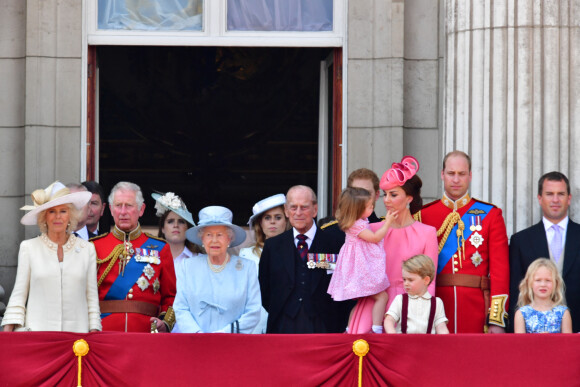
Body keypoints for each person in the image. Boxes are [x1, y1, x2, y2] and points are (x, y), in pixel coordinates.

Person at [417, 150, 509, 333]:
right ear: (442, 175)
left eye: (462, 174)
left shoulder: (490, 215)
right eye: (451, 173)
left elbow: (500, 272)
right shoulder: (423, 216)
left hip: (476, 310)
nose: (456, 179)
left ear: (470, 176)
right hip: (436, 309)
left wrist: (496, 319)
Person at [348, 156, 438, 334]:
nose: (387, 200)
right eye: (385, 194)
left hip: (410, 307)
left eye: (394, 194)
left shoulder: (427, 233)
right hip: (373, 306)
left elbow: (430, 283)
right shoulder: (370, 230)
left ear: (409, 198)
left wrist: (426, 316)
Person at [2, 182, 101, 332]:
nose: (58, 217)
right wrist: (7, 338)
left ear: (71, 215)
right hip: (38, 336)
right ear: (44, 217)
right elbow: (18, 296)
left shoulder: (87, 249)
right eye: (51, 211)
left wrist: (94, 332)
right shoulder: (29, 248)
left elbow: (92, 299)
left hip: (77, 339)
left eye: (63, 211)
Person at [259, 185, 346, 333]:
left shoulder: (335, 243)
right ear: (286, 211)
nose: (298, 213)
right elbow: (264, 290)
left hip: (324, 326)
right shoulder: (272, 246)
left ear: (315, 210)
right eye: (293, 207)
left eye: (304, 207)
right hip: (282, 326)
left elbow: (344, 286)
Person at [92, 181, 176, 332]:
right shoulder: (93, 247)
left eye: (129, 205)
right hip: (104, 332)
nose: (123, 211)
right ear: (111, 209)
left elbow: (170, 296)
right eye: (118, 205)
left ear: (141, 209)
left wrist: (164, 322)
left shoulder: (161, 248)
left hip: (145, 332)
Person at [509, 171, 580, 332]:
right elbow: (515, 288)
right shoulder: (521, 240)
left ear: (569, 198)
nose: (555, 200)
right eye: (549, 194)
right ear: (539, 198)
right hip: (533, 336)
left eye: (560, 194)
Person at [173, 206, 260, 333]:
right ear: (202, 239)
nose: (214, 240)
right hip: (196, 343)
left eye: (220, 235)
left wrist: (224, 334)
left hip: (233, 343)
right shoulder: (188, 267)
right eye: (209, 235)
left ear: (229, 239)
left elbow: (254, 311)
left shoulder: (247, 268)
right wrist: (198, 335)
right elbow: (180, 308)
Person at [327, 187, 393, 334]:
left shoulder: (357, 221)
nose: (372, 208)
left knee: (361, 303)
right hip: (360, 270)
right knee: (382, 296)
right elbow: (375, 238)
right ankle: (376, 328)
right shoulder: (356, 225)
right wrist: (387, 223)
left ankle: (349, 329)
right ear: (358, 209)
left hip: (358, 269)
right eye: (369, 206)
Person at [239, 193, 289, 334]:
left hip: (285, 324)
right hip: (253, 325)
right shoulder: (246, 254)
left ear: (286, 221)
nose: (272, 222)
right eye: (267, 218)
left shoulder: (296, 252)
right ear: (260, 223)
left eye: (278, 217)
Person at [384, 254, 449, 334]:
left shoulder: (437, 303)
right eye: (404, 279)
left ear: (426, 280)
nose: (406, 283)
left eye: (410, 280)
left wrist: (445, 340)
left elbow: (441, 326)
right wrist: (392, 334)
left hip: (427, 345)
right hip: (403, 344)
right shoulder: (400, 299)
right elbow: (389, 320)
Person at [514, 258, 572, 333]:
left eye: (548, 280)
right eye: (538, 280)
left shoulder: (563, 313)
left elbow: (568, 342)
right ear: (529, 282)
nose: (543, 285)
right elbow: (519, 343)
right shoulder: (521, 313)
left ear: (556, 283)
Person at [318, 168, 381, 234]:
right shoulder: (330, 232)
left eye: (367, 193)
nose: (361, 199)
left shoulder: (388, 229)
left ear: (376, 195)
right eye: (356, 193)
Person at [152, 191, 202, 273]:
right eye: (170, 221)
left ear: (187, 228)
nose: (176, 225)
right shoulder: (151, 258)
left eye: (181, 222)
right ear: (162, 228)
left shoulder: (200, 260)